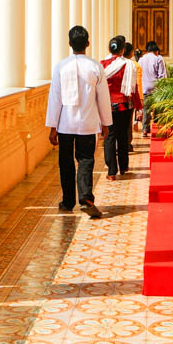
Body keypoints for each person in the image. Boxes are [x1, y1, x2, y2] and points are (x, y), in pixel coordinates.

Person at [46, 24, 112, 218]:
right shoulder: (95, 66)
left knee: (65, 162)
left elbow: (54, 98)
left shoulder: (61, 66)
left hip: (65, 123)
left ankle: (68, 202)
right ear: (88, 43)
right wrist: (106, 123)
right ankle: (85, 197)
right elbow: (103, 98)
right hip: (87, 123)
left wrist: (53, 127)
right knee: (85, 160)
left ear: (69, 44)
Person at [102, 36, 137, 180]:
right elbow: (133, 88)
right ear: (123, 50)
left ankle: (111, 172)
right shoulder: (128, 65)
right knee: (122, 135)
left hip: (107, 106)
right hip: (124, 105)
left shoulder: (102, 65)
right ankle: (123, 166)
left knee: (109, 137)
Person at [140, 40, 168, 137]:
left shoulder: (141, 59)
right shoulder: (158, 59)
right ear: (156, 50)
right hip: (156, 88)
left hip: (144, 88)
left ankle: (144, 129)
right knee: (158, 109)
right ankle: (156, 128)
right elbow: (162, 75)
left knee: (146, 110)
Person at [123, 42, 143, 152]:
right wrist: (139, 100)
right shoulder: (134, 65)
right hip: (128, 98)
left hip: (113, 100)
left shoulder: (110, 64)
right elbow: (137, 83)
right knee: (127, 123)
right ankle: (127, 143)